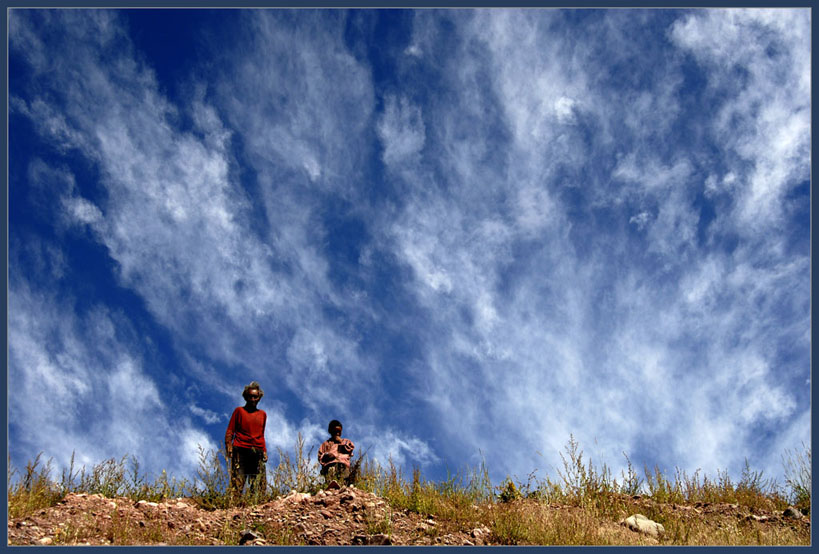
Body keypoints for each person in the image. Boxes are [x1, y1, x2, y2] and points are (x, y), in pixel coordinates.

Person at [225, 381, 268, 500]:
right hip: (240, 449)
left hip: (257, 451)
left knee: (259, 483)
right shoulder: (239, 411)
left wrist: (264, 450)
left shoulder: (263, 414)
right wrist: (228, 444)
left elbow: (261, 434)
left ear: (259, 398)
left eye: (255, 396)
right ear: (246, 397)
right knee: (238, 481)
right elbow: (230, 430)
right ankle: (235, 506)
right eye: (250, 396)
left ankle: (256, 507)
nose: (252, 399)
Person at [318, 419, 355, 488]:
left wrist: (341, 442)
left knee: (343, 482)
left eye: (339, 431)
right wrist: (326, 456)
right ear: (330, 431)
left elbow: (350, 449)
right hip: (329, 465)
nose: (337, 433)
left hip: (343, 465)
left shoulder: (346, 441)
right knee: (331, 482)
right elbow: (320, 456)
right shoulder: (325, 444)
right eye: (335, 431)